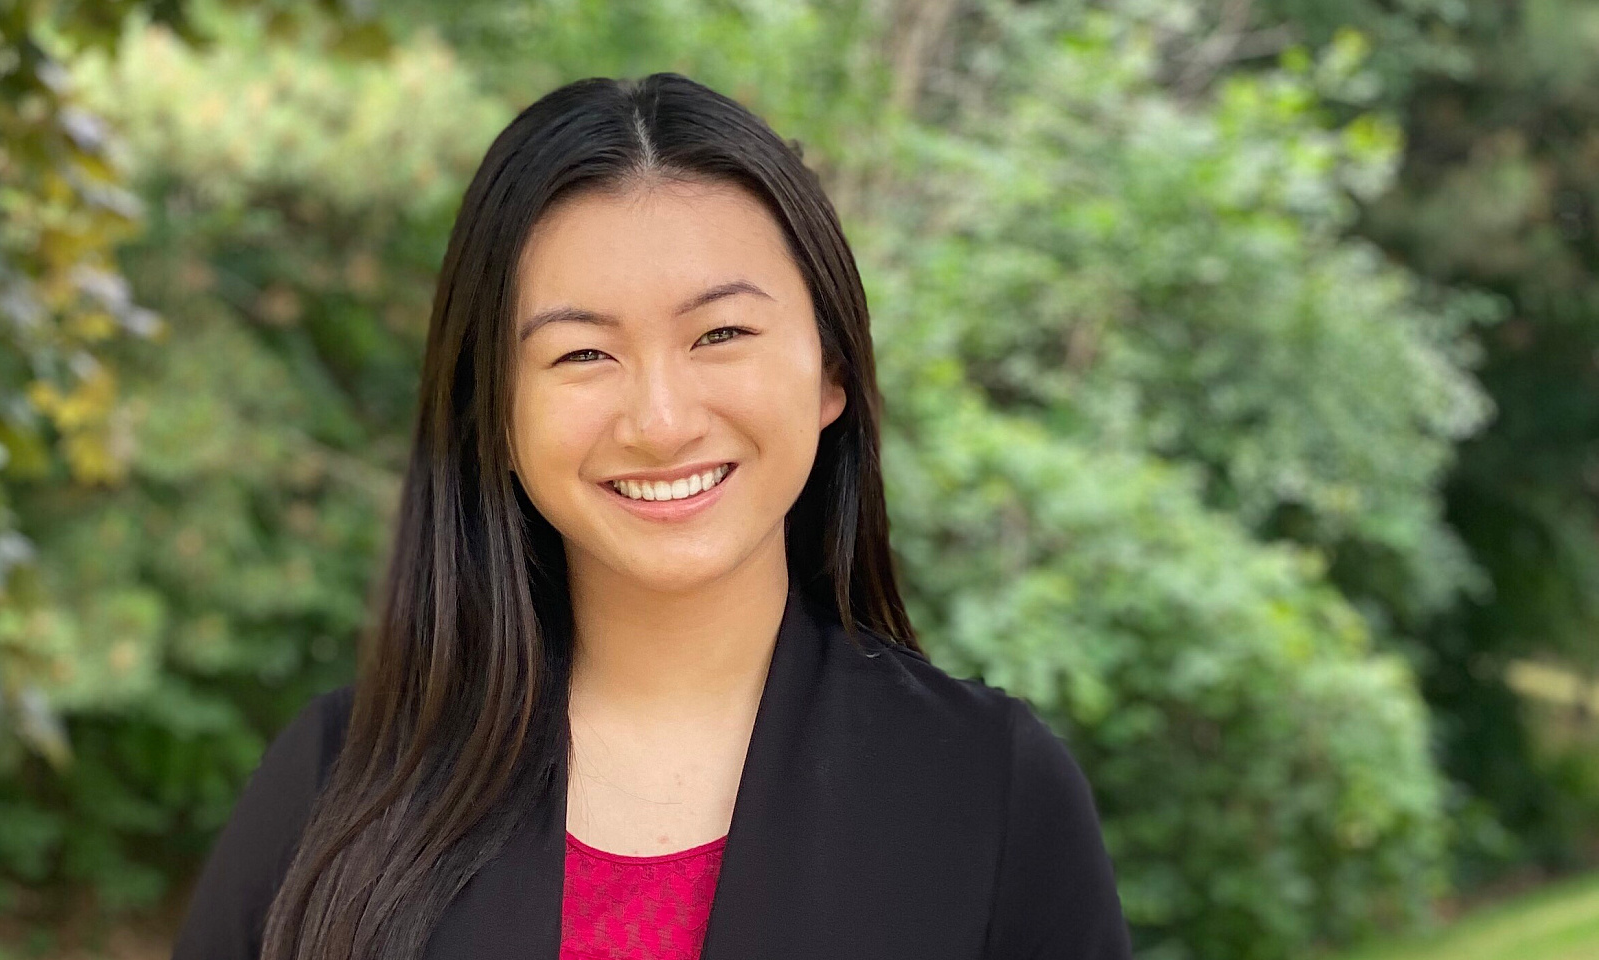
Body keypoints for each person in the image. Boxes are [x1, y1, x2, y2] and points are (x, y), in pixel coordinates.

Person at [170, 72, 1131, 960]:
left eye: (720, 334)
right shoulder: (340, 783)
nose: (661, 421)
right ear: (493, 412)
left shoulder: (985, 792)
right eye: (583, 354)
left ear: (831, 370)